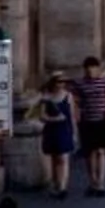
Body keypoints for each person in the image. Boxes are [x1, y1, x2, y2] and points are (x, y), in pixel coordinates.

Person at [72, 55, 105, 196]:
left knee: (101, 151)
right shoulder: (80, 84)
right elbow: (76, 101)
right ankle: (92, 180)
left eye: (93, 69)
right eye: (88, 70)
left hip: (101, 120)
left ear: (98, 69)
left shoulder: (104, 82)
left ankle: (101, 182)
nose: (90, 72)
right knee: (90, 152)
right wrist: (77, 117)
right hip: (87, 120)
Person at [36, 70, 78, 198]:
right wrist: (54, 119)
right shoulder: (46, 97)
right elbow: (41, 116)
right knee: (55, 158)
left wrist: (74, 132)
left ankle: (63, 187)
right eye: (59, 81)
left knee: (63, 158)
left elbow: (72, 115)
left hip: (64, 129)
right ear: (53, 82)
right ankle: (56, 184)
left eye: (63, 82)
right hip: (52, 129)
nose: (61, 84)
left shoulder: (68, 96)